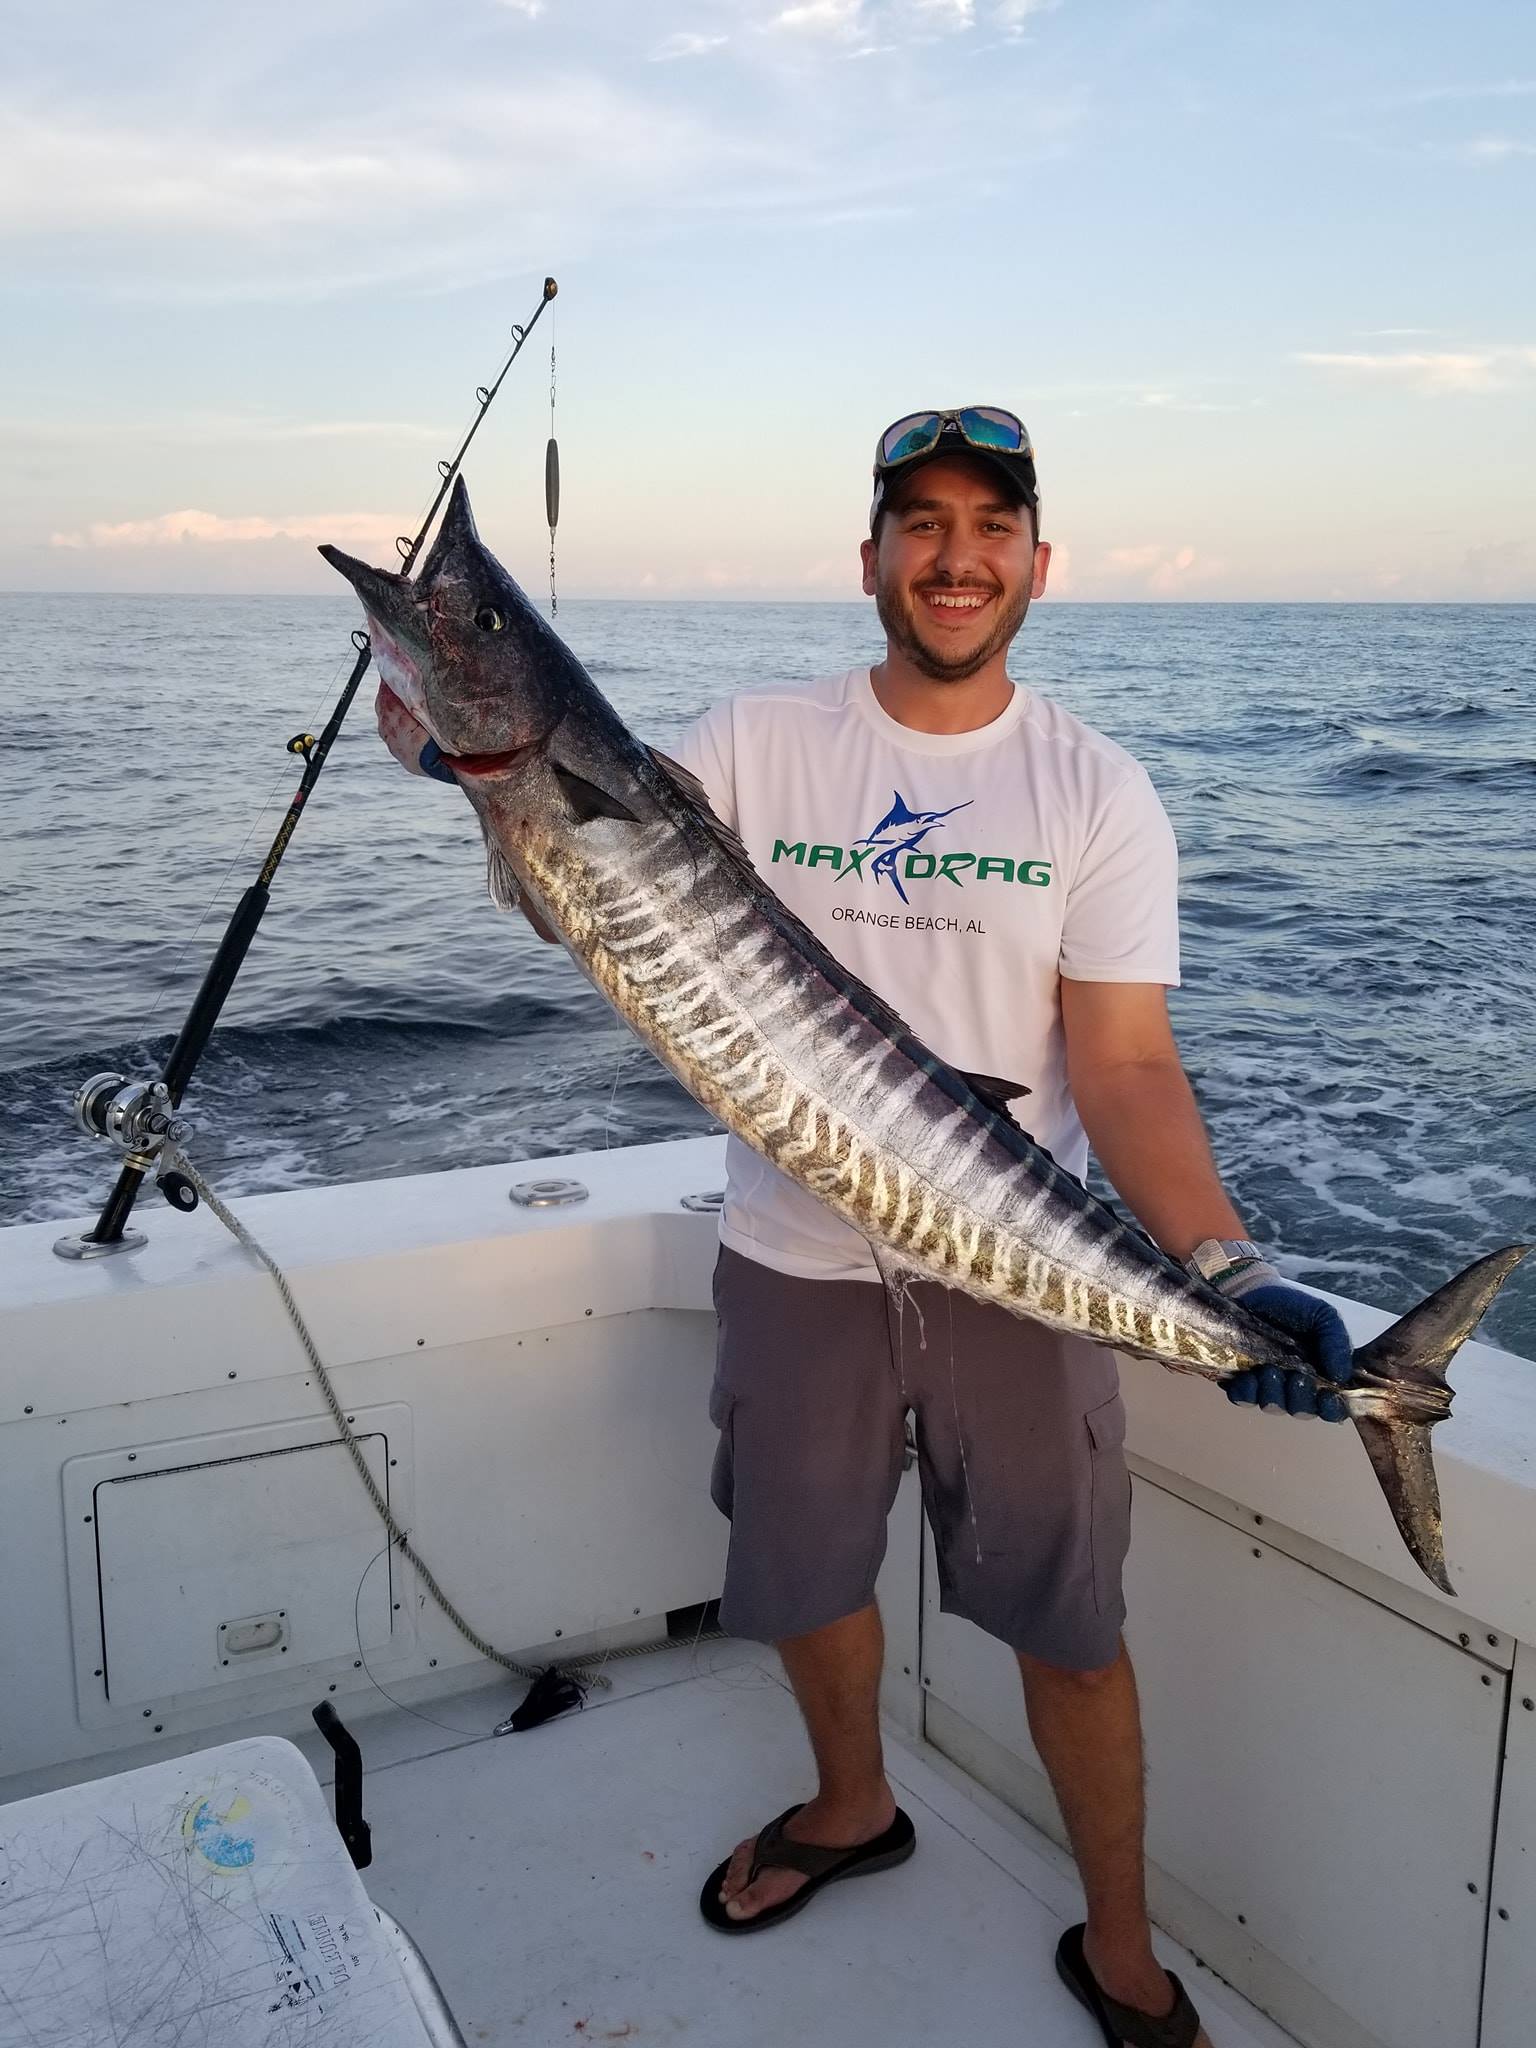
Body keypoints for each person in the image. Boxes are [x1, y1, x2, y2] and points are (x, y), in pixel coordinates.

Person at [378, 407, 1354, 2048]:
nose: (953, 557)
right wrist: (434, 730)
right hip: (793, 1261)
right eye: (921, 525)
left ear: (1034, 564)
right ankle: (852, 1808)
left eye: (988, 527)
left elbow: (1121, 1063)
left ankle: (1120, 1943)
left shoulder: (1096, 791)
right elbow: (562, 845)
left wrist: (1230, 1268)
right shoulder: (759, 740)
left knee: (1072, 1623)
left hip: (1014, 1264)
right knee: (806, 1572)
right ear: (873, 558)